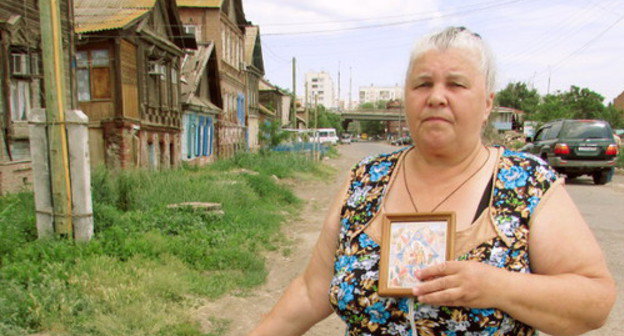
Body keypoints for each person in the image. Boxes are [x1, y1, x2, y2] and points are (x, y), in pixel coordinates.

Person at [248, 27, 616, 336]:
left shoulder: (528, 183)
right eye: (423, 84)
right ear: (406, 97)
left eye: (456, 84)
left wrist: (497, 287)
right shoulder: (365, 180)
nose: (436, 97)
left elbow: (594, 301)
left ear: (487, 103)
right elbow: (313, 290)